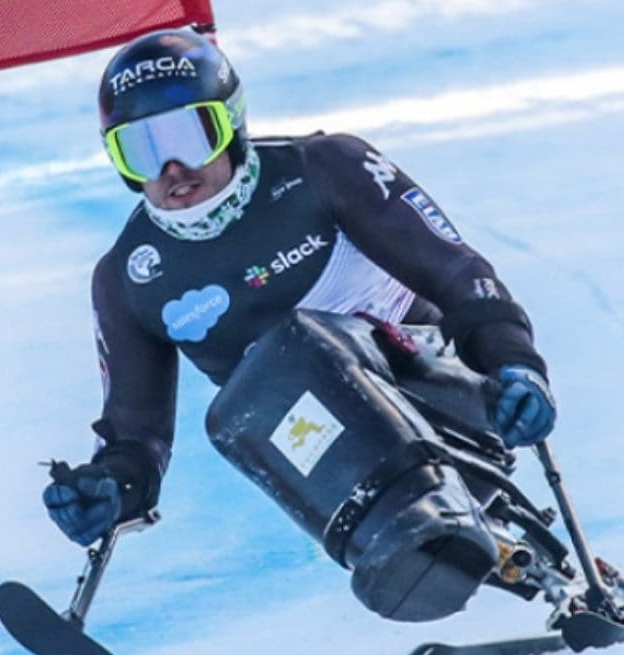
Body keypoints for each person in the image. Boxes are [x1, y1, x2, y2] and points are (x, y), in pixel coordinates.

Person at [42, 28, 557, 622]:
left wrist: (514, 361)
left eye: (188, 135)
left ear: (230, 123)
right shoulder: (127, 278)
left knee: (292, 346)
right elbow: (136, 439)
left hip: (451, 391)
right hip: (334, 463)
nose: (172, 169)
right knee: (237, 409)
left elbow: (456, 271)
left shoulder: (322, 169)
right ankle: (423, 550)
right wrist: (107, 491)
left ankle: (428, 523)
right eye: (140, 150)